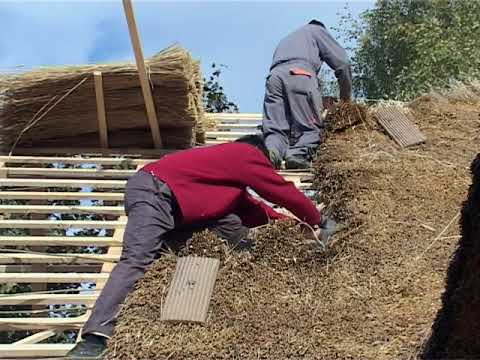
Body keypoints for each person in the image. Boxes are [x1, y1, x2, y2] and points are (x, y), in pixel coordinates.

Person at [67, 135, 329, 359]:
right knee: (137, 259)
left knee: (231, 224)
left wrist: (299, 229)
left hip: (179, 209)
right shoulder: (244, 153)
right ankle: (94, 339)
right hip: (155, 192)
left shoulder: (223, 185)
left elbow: (261, 212)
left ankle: (241, 265)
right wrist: (318, 220)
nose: (263, 168)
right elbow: (279, 190)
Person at [262, 20, 353, 169]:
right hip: (301, 75)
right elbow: (343, 65)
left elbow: (293, 97)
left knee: (276, 129)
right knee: (310, 127)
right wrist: (346, 101)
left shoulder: (288, 39)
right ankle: (297, 155)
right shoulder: (317, 31)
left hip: (274, 79)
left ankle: (272, 153)